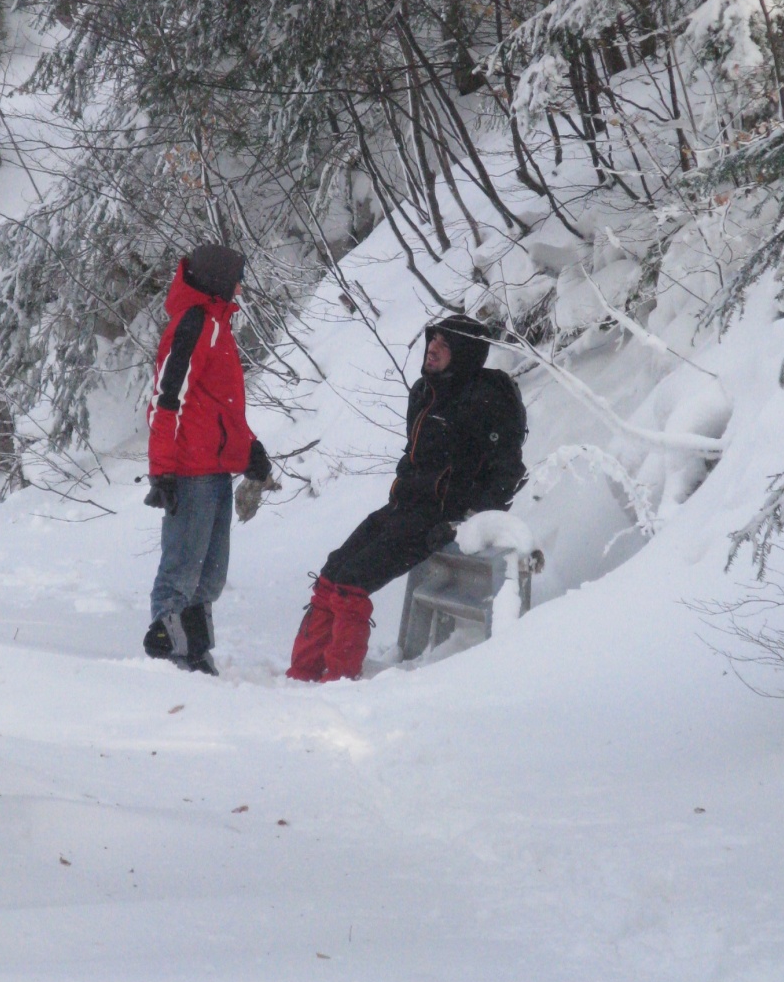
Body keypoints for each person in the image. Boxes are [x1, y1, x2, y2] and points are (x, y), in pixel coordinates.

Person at [286, 314, 526, 682]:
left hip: (439, 518)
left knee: (352, 582)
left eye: (446, 345)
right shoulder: (424, 391)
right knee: (332, 572)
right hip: (403, 507)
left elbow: (506, 472)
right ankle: (301, 673)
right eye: (434, 340)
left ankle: (337, 680)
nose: (434, 348)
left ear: (464, 354)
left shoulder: (486, 399)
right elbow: (415, 458)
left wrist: (466, 521)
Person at [143, 244, 274, 674]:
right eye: (236, 276)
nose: (241, 284)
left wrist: (249, 450)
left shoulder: (218, 324)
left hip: (215, 473)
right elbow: (166, 399)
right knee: (181, 573)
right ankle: (168, 660)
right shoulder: (195, 323)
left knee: (210, 578)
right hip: (190, 474)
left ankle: (195, 652)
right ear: (218, 280)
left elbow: (220, 406)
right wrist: (162, 472)